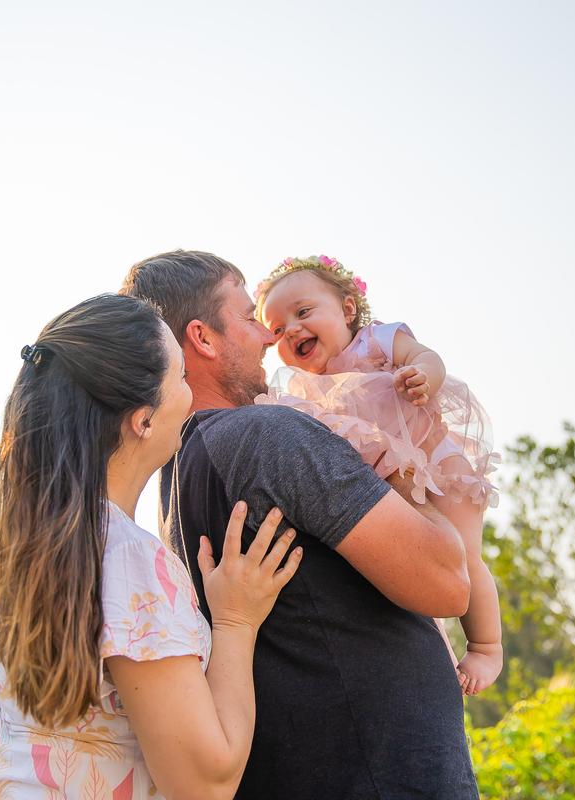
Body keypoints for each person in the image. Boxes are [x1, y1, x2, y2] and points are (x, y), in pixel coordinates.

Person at [119, 251, 478, 799]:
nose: (269, 338)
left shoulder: (180, 472)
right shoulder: (267, 436)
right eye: (249, 318)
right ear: (203, 338)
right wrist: (410, 461)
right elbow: (448, 581)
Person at [0, 293, 302, 800]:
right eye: (181, 378)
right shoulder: (128, 559)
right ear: (143, 420)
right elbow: (206, 785)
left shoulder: (4, 540)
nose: (189, 393)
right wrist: (236, 621)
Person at [254, 254, 503, 695]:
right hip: (393, 485)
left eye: (303, 312)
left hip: (437, 465)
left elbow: (427, 356)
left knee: (463, 556)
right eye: (276, 329)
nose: (290, 329)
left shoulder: (377, 341)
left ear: (348, 309)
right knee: (410, 575)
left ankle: (486, 647)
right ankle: (440, 657)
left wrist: (423, 375)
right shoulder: (303, 390)